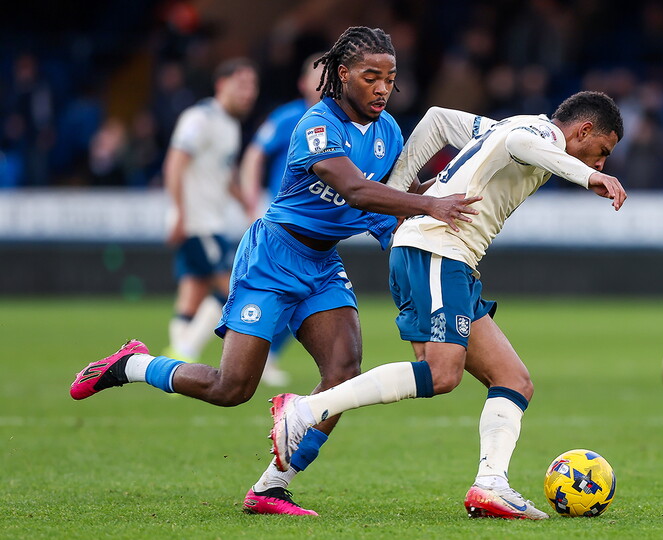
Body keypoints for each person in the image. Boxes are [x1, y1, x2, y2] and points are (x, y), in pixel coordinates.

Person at [70, 26, 480, 516]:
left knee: (343, 371)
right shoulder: (317, 125)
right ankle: (132, 366)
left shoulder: (388, 131)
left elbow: (390, 201)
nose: (382, 88)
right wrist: (430, 204)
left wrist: (434, 225)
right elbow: (355, 190)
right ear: (342, 74)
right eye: (371, 77)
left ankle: (272, 486)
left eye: (390, 79)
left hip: (323, 263)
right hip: (273, 258)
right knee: (232, 388)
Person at [267, 90, 627, 519]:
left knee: (513, 380)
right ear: (583, 130)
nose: (601, 163)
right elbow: (523, 145)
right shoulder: (538, 134)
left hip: (442, 258)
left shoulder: (507, 124)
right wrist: (587, 177)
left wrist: (396, 190)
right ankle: (304, 410)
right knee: (441, 373)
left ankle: (491, 484)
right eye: (602, 151)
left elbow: (437, 119)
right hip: (439, 253)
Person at [161, 58, 260, 364]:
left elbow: (223, 172)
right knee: (234, 287)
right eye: (241, 85)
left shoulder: (230, 125)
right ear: (221, 85)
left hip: (209, 221)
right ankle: (184, 352)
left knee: (192, 293)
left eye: (252, 87)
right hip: (197, 222)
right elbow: (175, 163)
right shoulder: (199, 118)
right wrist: (179, 212)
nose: (248, 93)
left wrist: (245, 202)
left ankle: (176, 363)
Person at [237, 53, 325, 387]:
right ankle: (245, 355)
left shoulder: (343, 122)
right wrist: (251, 200)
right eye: (318, 79)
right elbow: (255, 154)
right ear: (303, 83)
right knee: (277, 291)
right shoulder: (290, 117)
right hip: (282, 223)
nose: (324, 86)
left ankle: (264, 357)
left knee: (301, 293)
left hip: (315, 229)